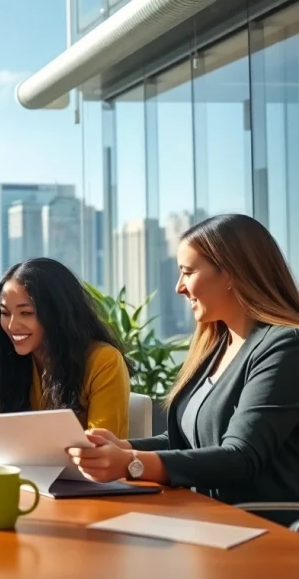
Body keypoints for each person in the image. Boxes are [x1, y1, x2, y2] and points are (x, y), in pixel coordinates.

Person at [67, 214, 299, 527]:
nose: (179, 287)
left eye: (187, 272)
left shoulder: (285, 346)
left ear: (231, 273)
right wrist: (126, 448)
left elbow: (240, 457)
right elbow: (188, 441)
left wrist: (131, 463)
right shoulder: (216, 344)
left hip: (263, 528)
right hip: (206, 518)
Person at [0, 258, 130, 455]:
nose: (12, 325)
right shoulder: (13, 360)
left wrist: (11, 440)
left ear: (57, 312)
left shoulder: (104, 361)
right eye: (5, 313)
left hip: (85, 473)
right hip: (28, 472)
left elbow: (101, 449)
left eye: (26, 313)